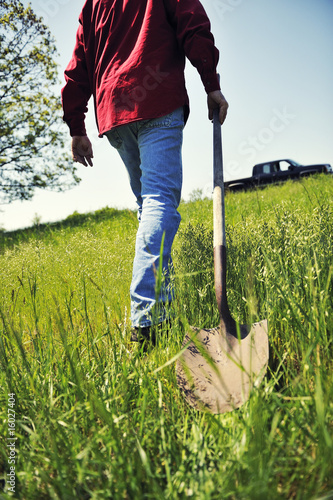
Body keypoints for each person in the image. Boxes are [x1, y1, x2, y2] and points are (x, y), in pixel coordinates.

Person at [61, 0, 228, 344]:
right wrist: (211, 84)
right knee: (158, 204)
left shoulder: (94, 4)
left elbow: (78, 65)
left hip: (115, 112)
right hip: (156, 102)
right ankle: (148, 320)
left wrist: (77, 126)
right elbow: (194, 27)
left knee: (148, 207)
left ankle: (157, 313)